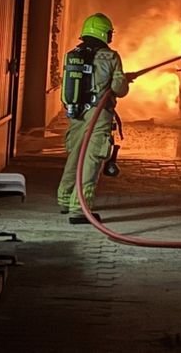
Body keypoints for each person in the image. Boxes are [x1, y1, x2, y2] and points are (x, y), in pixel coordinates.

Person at [56, 13, 130, 224]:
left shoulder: (74, 54)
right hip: (98, 115)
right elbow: (119, 89)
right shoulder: (111, 57)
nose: (110, 36)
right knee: (91, 159)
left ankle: (64, 198)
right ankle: (80, 208)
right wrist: (123, 79)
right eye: (109, 32)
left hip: (77, 114)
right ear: (103, 33)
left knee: (75, 156)